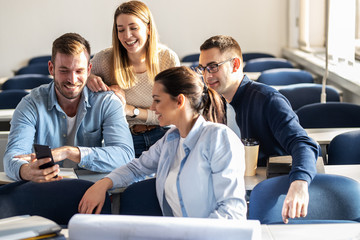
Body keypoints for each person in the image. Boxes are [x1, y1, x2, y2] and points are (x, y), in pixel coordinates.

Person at [79, 66, 247, 219]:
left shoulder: (219, 138)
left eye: (157, 100)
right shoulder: (171, 139)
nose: (152, 107)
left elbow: (232, 212)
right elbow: (136, 168)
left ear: (179, 101)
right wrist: (103, 184)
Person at [196, 35, 320, 223]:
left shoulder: (268, 99)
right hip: (229, 192)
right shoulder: (214, 101)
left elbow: (304, 144)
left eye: (213, 67)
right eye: (203, 69)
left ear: (235, 65)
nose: (207, 75)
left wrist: (299, 184)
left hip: (266, 195)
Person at [3, 33, 134, 182]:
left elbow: (124, 156)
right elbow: (12, 158)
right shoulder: (31, 104)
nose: (72, 80)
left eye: (79, 71)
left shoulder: (107, 102)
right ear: (51, 68)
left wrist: (69, 152)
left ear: (89, 69)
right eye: (64, 71)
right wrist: (25, 170)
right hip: (44, 190)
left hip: (91, 190)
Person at [88, 1, 180, 157]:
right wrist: (88, 78)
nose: (127, 36)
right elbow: (72, 78)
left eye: (133, 28)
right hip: (126, 137)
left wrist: (130, 110)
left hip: (164, 134)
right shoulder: (104, 59)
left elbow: (173, 113)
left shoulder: (167, 59)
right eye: (121, 30)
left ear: (148, 28)